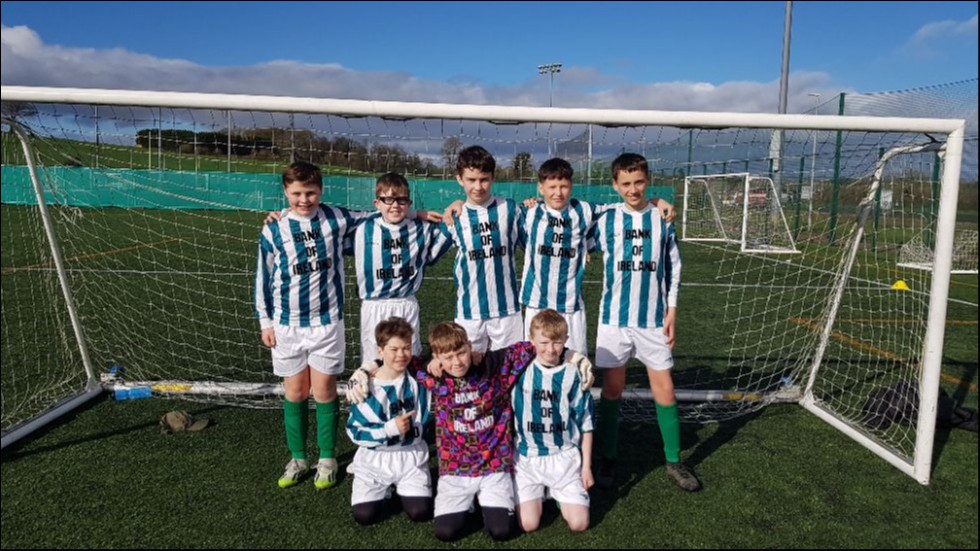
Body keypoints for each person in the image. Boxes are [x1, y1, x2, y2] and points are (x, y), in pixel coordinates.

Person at [349, 322, 592, 542]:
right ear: (436, 357)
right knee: (445, 532)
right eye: (448, 357)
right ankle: (470, 503)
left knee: (502, 531)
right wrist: (364, 369)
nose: (457, 362)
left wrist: (575, 357)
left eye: (462, 353)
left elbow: (539, 346)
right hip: (456, 470)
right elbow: (395, 358)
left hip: (494, 467)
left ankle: (491, 503)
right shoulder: (431, 373)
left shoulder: (494, 366)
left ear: (470, 347)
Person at [254, 160, 372, 490]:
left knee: (323, 392)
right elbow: (262, 277)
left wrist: (418, 215)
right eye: (296, 193)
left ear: (321, 190)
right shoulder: (274, 228)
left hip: (326, 323)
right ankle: (298, 457)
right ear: (285, 192)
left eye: (310, 192)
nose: (304, 199)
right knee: (294, 392)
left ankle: (328, 459)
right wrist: (265, 321)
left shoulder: (336, 218)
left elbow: (379, 214)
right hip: (287, 325)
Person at [589, 153, 701, 492]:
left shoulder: (662, 219)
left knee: (664, 389)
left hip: (652, 320)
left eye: (639, 182)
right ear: (614, 185)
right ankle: (608, 456)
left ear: (647, 180)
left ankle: (673, 460)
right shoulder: (604, 219)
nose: (633, 189)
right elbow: (566, 210)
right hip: (614, 320)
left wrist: (673, 310)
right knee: (612, 389)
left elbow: (675, 267)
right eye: (625, 183)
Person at [515, 158, 674, 355]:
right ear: (540, 188)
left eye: (563, 186)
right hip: (535, 303)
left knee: (576, 363)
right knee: (533, 362)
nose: (558, 193)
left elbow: (622, 206)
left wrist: (655, 201)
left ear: (571, 186)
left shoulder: (584, 210)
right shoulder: (527, 212)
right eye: (552, 187)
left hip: (571, 305)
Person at [349, 172, 452, 361]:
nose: (395, 205)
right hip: (374, 305)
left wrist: (456, 206)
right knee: (375, 363)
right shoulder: (363, 227)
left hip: (406, 303)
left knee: (409, 360)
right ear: (376, 203)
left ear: (409, 202)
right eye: (388, 199)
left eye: (401, 200)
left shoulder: (421, 228)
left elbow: (450, 227)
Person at [512, 309, 594, 533]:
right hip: (528, 459)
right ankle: (542, 491)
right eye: (544, 342)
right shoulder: (518, 370)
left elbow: (586, 424)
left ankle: (558, 493)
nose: (550, 349)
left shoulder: (573, 373)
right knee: (528, 524)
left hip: (564, 458)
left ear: (566, 341)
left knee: (579, 524)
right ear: (532, 341)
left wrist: (586, 468)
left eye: (557, 342)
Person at [345, 318, 432, 525]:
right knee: (364, 516)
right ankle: (380, 490)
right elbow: (354, 431)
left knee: (420, 512)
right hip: (375, 460)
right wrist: (388, 429)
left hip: (411, 457)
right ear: (380, 350)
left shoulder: (418, 376)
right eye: (394, 349)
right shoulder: (363, 387)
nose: (401, 355)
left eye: (406, 348)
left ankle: (405, 487)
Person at [439, 146, 525, 356]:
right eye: (471, 180)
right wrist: (418, 212)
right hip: (470, 312)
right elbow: (424, 247)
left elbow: (536, 240)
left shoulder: (511, 209)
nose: (478, 186)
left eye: (484, 179)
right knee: (469, 375)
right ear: (460, 179)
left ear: (493, 177)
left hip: (507, 311)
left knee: (509, 376)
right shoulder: (454, 217)